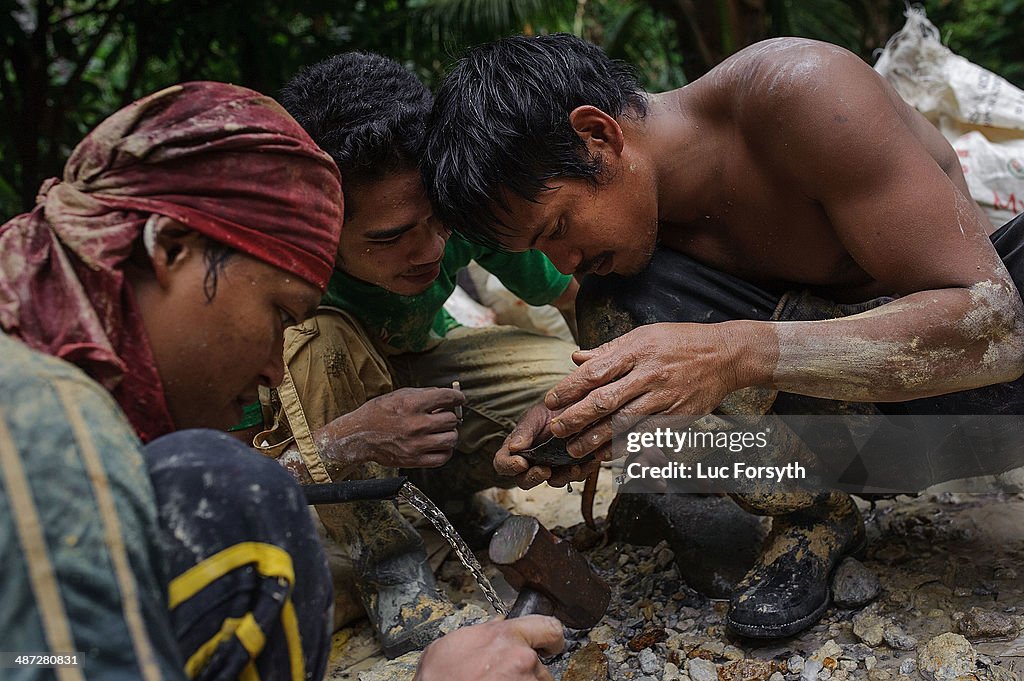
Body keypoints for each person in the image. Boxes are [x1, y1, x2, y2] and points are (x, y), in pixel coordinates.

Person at [421, 34, 1024, 638]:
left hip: (976, 399)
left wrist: (740, 353)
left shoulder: (804, 96)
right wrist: (583, 424)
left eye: (559, 225)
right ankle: (812, 515)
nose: (565, 260)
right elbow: (666, 380)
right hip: (851, 443)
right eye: (539, 247)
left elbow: (995, 327)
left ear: (598, 138)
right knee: (615, 314)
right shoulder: (632, 258)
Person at [0, 81, 563, 679]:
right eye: (278, 314)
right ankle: (390, 568)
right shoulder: (45, 421)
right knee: (240, 489)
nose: (273, 365)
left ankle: (460, 503)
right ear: (169, 248)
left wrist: (644, 433)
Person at [239, 51, 581, 658]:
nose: (426, 251)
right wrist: (353, 437)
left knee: (566, 385)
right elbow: (229, 477)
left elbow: (576, 297)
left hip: (428, 373)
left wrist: (621, 417)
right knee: (317, 341)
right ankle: (391, 566)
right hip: (323, 430)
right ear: (324, 224)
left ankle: (446, 497)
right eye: (388, 238)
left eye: (436, 221)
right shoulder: (271, 281)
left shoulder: (457, 199)